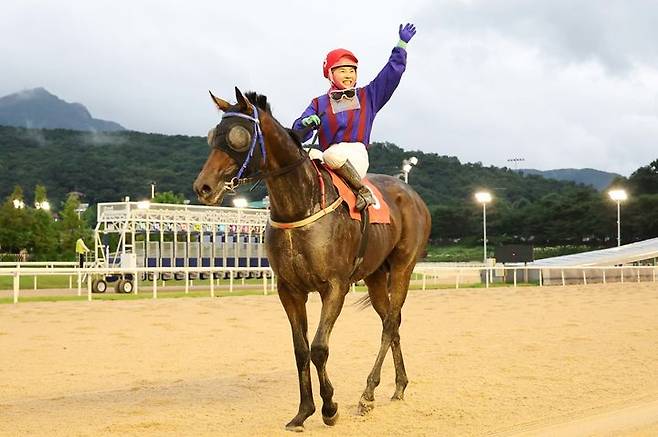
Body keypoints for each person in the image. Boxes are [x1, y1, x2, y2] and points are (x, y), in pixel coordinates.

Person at [292, 23, 417, 210]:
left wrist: (401, 46)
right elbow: (297, 133)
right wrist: (305, 123)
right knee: (305, 157)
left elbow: (390, 74)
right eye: (342, 70)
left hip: (354, 154)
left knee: (331, 154)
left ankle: (362, 191)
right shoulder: (319, 103)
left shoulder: (368, 96)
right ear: (330, 74)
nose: (348, 75)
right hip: (328, 156)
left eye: (352, 70)